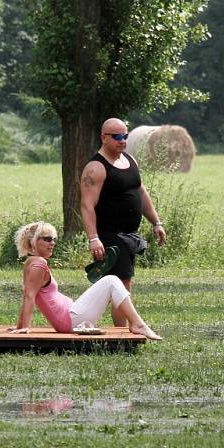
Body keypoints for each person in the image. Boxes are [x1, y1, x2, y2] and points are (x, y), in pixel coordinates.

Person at [8, 221, 161, 340]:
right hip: (70, 320)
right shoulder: (38, 264)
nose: (52, 243)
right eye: (47, 239)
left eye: (54, 239)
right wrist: (25, 327)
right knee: (112, 280)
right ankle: (138, 324)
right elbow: (29, 296)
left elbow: (28, 294)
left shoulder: (31, 262)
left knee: (111, 282)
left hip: (70, 316)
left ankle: (136, 323)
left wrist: (20, 325)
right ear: (32, 242)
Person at [80, 118, 166, 326]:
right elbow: (86, 205)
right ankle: (121, 336)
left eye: (125, 136)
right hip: (110, 234)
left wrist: (156, 222)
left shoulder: (130, 160)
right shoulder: (95, 168)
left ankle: (121, 333)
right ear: (104, 137)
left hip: (129, 234)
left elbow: (141, 192)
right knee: (122, 284)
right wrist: (94, 238)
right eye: (117, 137)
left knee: (123, 284)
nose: (122, 141)